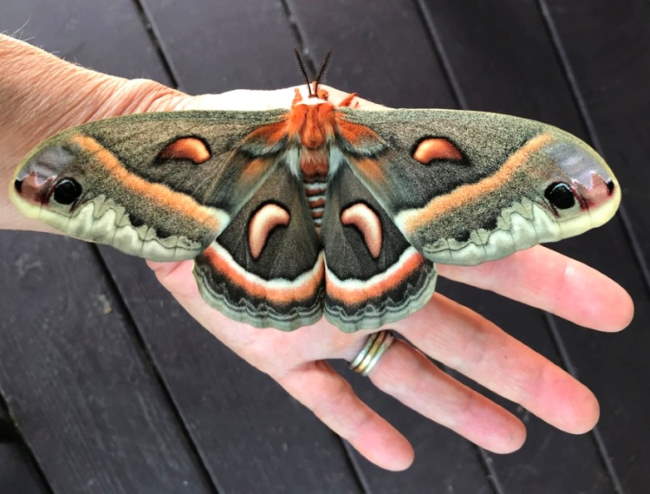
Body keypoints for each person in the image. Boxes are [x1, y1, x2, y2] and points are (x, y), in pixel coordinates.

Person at [0, 34, 634, 471]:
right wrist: (114, 124)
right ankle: (349, 274)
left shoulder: (237, 139)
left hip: (261, 220)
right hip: (354, 222)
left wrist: (128, 113)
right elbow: (72, 168)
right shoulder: (374, 135)